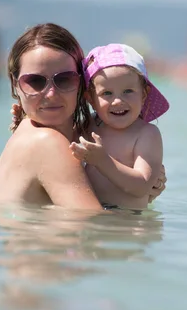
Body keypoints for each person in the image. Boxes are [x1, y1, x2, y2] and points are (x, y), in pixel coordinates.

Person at [0, 24, 166, 210]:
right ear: (15, 84)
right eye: (35, 81)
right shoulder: (48, 142)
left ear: (82, 85)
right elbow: (91, 223)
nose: (50, 94)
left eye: (64, 79)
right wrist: (129, 212)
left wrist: (137, 187)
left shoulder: (34, 134)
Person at [69, 44, 169, 209]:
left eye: (128, 91)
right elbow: (57, 143)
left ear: (143, 94)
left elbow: (142, 186)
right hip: (94, 214)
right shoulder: (88, 125)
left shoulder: (146, 134)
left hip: (129, 222)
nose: (118, 101)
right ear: (91, 99)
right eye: (107, 93)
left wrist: (103, 161)